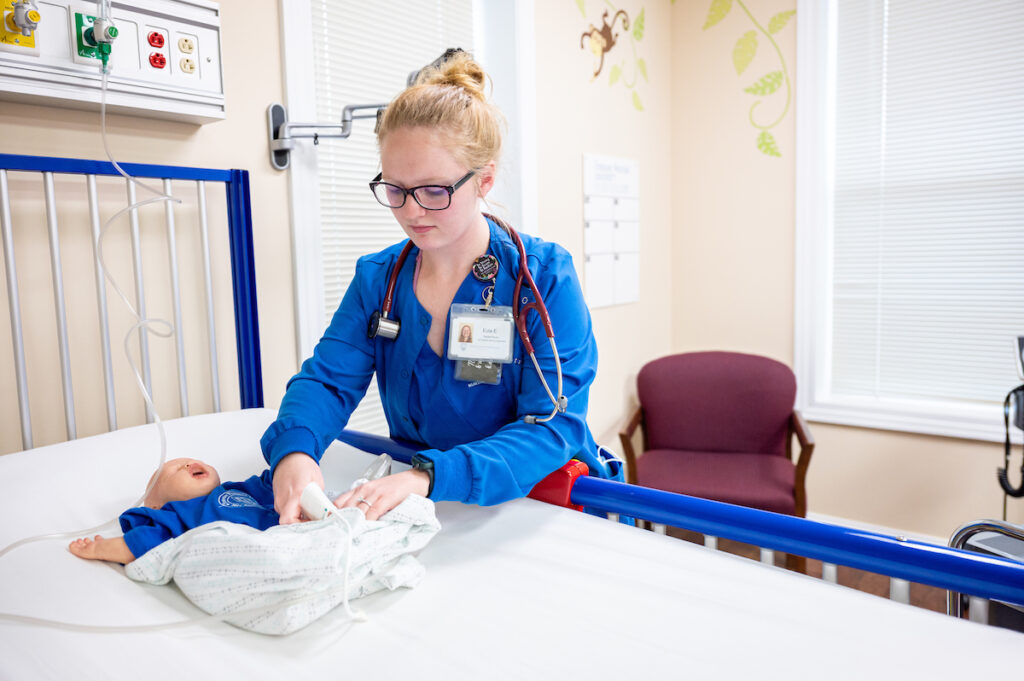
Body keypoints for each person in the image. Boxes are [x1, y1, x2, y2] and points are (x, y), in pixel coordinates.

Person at [262, 50, 619, 525]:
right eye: (395, 189)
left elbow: (551, 429)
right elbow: (327, 381)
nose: (411, 211)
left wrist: (428, 476)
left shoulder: (543, 278)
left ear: (484, 180)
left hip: (539, 506)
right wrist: (296, 453)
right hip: (436, 509)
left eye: (434, 191)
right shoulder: (379, 279)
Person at [68, 458, 278, 564]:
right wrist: (99, 549)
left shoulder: (238, 488)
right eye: (175, 470)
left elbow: (275, 482)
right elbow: (145, 541)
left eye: (191, 461)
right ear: (156, 507)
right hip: (260, 551)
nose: (187, 464)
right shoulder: (179, 514)